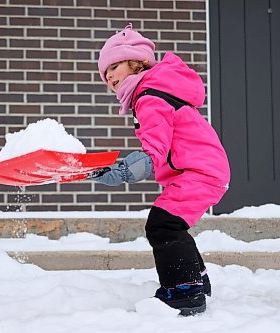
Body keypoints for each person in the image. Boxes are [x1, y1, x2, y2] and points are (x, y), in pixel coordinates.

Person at [89, 23, 231, 316]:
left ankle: (184, 291)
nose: (110, 76)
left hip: (198, 172)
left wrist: (123, 171)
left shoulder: (150, 96)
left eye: (114, 66)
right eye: (105, 74)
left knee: (163, 224)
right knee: (171, 223)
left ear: (136, 61)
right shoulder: (156, 90)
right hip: (201, 170)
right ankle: (196, 281)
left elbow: (155, 149)